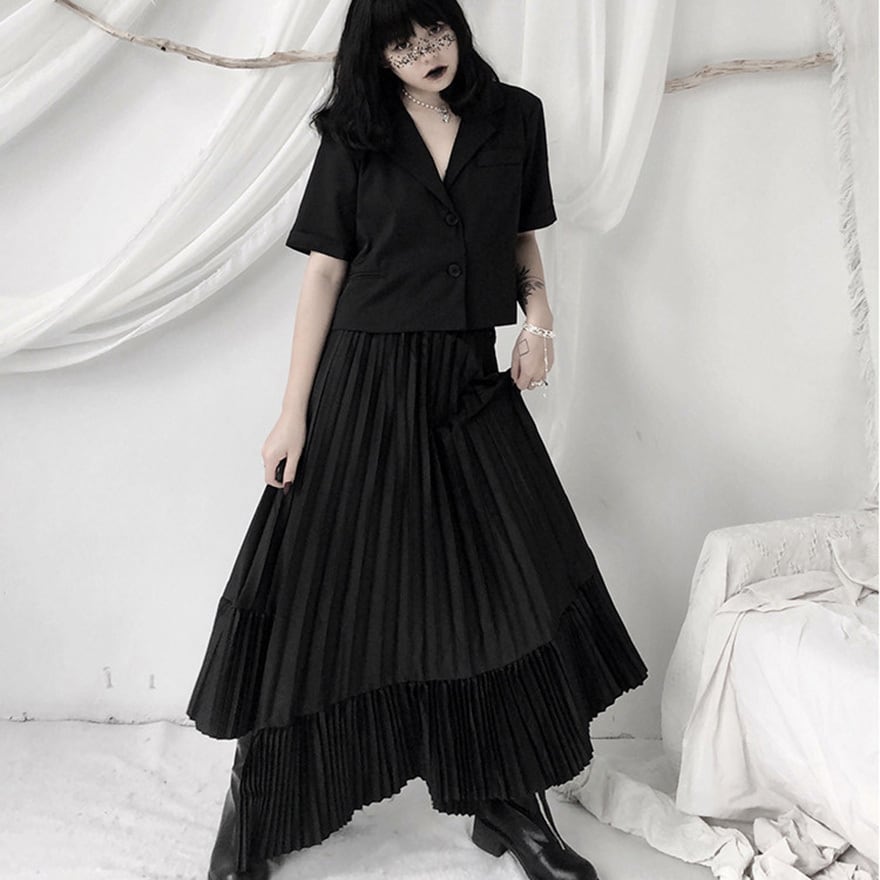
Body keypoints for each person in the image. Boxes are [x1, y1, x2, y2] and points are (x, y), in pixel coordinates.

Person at [186, 2, 648, 878]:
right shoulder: (354, 132)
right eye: (401, 42)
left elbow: (520, 234)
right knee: (316, 590)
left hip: (467, 381)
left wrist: (540, 319)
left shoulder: (515, 116)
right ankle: (258, 801)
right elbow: (324, 273)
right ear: (377, 54)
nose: (424, 51)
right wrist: (293, 411)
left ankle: (508, 798)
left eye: (434, 30)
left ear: (457, 25)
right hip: (364, 380)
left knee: (504, 579)